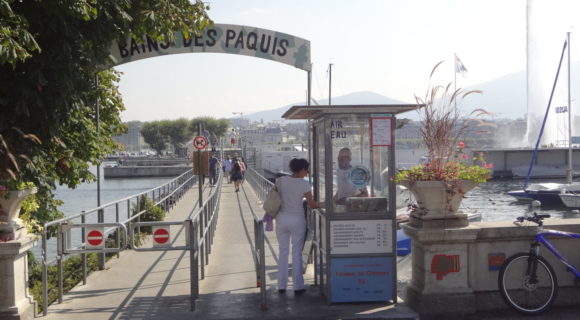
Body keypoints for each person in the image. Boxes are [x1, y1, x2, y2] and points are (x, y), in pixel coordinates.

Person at [275, 158, 318, 295]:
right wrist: (328, 202)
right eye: (307, 170)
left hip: (281, 219)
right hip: (297, 220)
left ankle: (281, 285)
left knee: (283, 252)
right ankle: (298, 286)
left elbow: (274, 197)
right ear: (302, 170)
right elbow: (312, 204)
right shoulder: (304, 184)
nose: (307, 173)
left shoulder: (280, 181)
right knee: (296, 253)